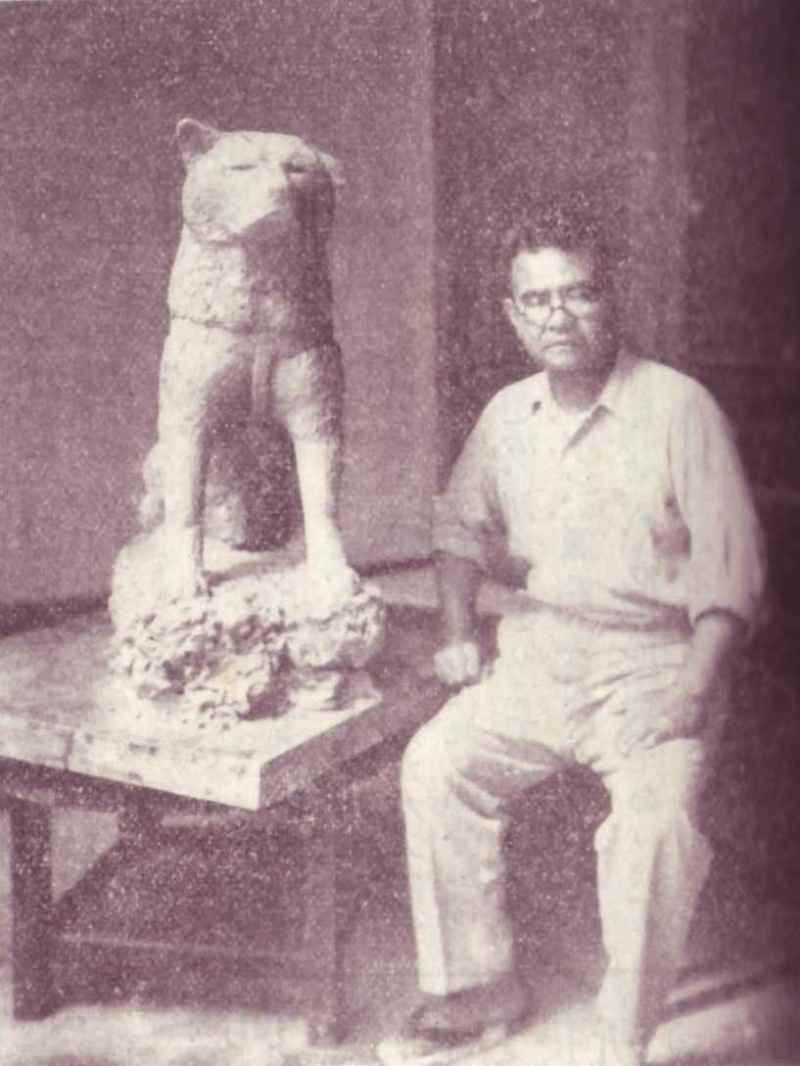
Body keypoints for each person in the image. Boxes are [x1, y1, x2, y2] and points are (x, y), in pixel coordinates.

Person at [377, 204, 766, 1066]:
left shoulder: (678, 408)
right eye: (538, 300)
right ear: (515, 315)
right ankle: (479, 990)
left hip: (660, 660)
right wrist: (457, 634)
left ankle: (623, 1033)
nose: (559, 316)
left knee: (654, 825)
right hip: (543, 650)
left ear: (611, 299)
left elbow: (733, 577)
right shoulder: (506, 415)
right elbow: (458, 531)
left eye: (579, 295)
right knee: (438, 764)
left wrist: (693, 695)